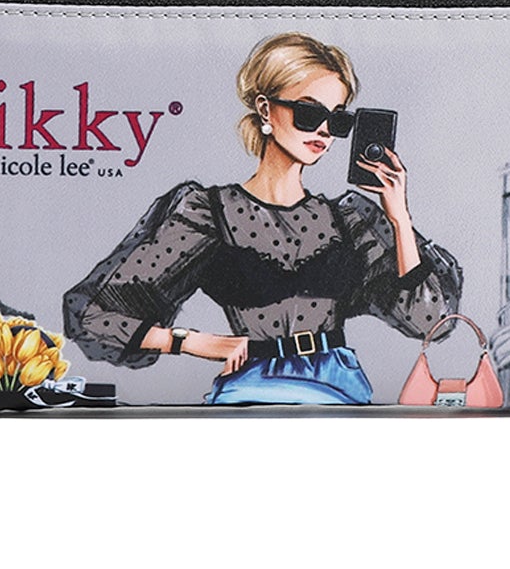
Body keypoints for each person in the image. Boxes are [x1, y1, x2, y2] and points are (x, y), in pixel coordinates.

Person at [62, 31, 462, 404]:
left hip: (340, 392)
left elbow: (431, 322)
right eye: (309, 114)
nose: (324, 131)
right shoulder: (207, 213)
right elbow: (91, 314)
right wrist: (192, 342)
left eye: (338, 120)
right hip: (249, 392)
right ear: (265, 108)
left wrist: (399, 218)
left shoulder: (350, 220)